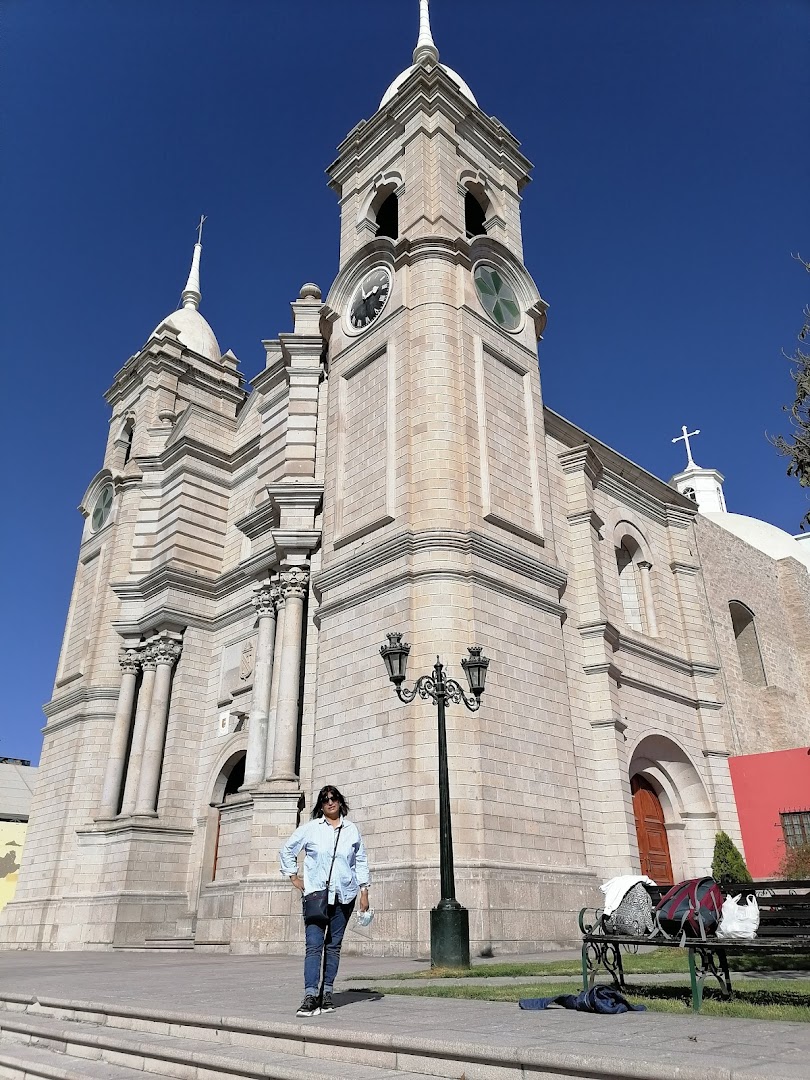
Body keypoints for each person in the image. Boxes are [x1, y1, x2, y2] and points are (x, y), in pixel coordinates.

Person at [280, 784, 370, 1017]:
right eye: (325, 799)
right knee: (314, 946)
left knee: (333, 946)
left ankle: (327, 992)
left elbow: (360, 860)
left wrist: (364, 891)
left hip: (345, 896)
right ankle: (310, 995)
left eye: (334, 798)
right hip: (316, 896)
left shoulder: (351, 830)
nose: (330, 802)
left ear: (340, 801)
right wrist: (294, 877)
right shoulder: (311, 829)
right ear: (321, 805)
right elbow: (287, 850)